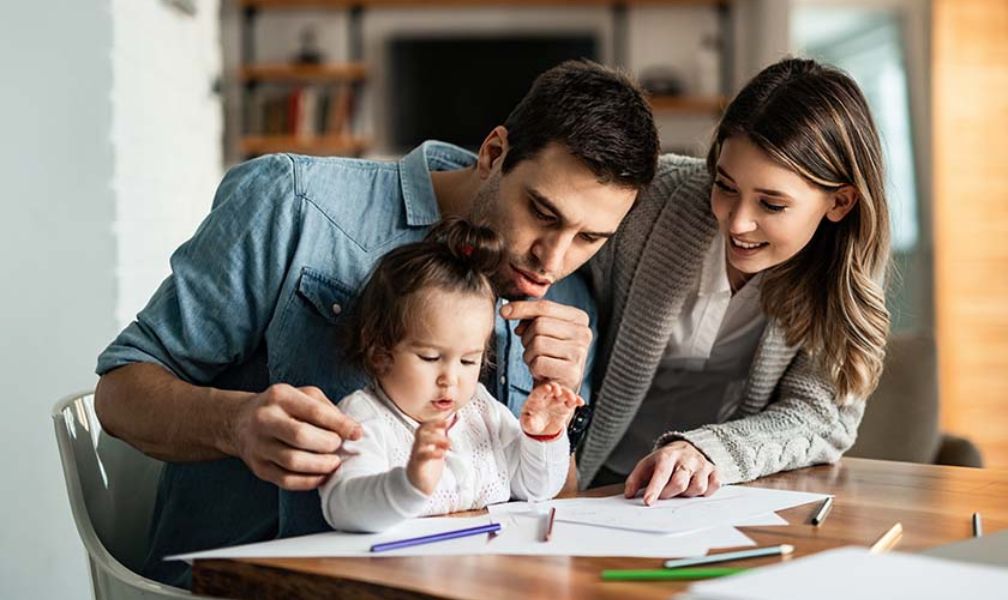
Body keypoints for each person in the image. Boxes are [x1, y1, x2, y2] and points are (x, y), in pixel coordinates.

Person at [93, 60, 658, 586]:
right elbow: (119, 395)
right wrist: (234, 424)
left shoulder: (568, 297)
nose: (552, 261)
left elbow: (552, 499)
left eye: (589, 238)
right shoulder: (293, 204)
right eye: (542, 213)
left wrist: (550, 417)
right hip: (258, 589)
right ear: (493, 153)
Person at [577, 58, 891, 503]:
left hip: (716, 496)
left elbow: (822, 419)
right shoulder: (648, 204)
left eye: (772, 204)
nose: (738, 223)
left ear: (839, 203)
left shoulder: (844, 277)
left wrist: (711, 451)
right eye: (725, 185)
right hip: (595, 484)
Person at [321, 218, 582, 532]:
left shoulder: (481, 412)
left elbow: (535, 489)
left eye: (469, 361)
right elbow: (342, 508)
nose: (451, 379)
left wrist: (544, 436)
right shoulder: (363, 419)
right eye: (431, 357)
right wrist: (409, 484)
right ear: (380, 354)